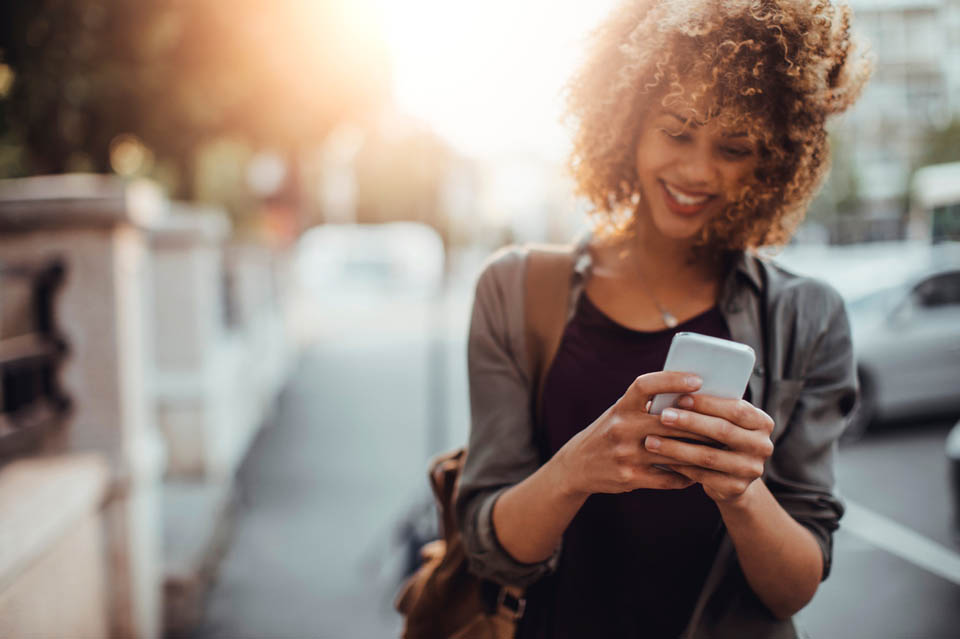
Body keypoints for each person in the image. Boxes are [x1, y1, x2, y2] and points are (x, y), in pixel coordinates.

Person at [454, 1, 872, 637]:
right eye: (677, 132)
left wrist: (741, 492)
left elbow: (792, 590)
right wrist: (577, 469)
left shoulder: (808, 316)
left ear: (773, 160)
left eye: (734, 147)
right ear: (626, 122)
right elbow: (488, 544)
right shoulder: (513, 290)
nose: (698, 172)